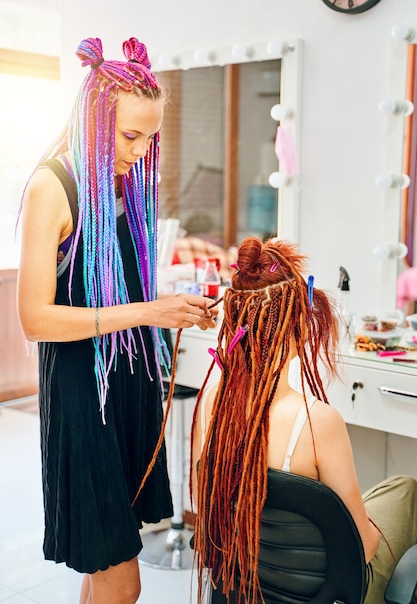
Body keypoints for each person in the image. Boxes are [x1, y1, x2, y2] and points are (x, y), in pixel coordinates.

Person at [17, 36, 217, 604]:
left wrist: (169, 304)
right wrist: (150, 310)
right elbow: (35, 318)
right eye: (130, 135)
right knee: (121, 579)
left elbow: (117, 284)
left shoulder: (124, 188)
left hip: (127, 391)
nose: (140, 149)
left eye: (151, 136)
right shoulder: (52, 188)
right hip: (85, 396)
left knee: (104, 563)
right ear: (93, 119)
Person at [190, 236, 417, 604]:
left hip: (242, 589)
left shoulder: (210, 406)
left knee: (390, 491)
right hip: (329, 593)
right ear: (298, 328)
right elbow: (365, 545)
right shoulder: (317, 421)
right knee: (406, 491)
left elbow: (207, 514)